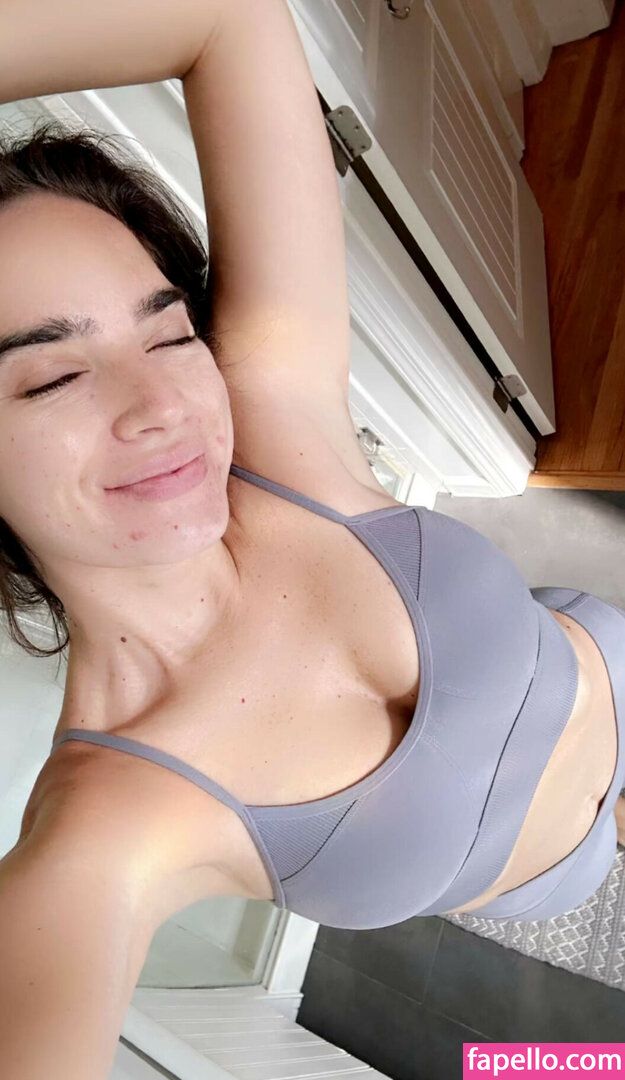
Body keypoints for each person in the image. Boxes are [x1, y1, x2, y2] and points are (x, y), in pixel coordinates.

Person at [0, 1, 624, 1076]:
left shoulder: (271, 430)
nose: (164, 406)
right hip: (557, 877)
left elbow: (226, 20)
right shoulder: (107, 833)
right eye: (53, 376)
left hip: (600, 657)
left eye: (170, 333)